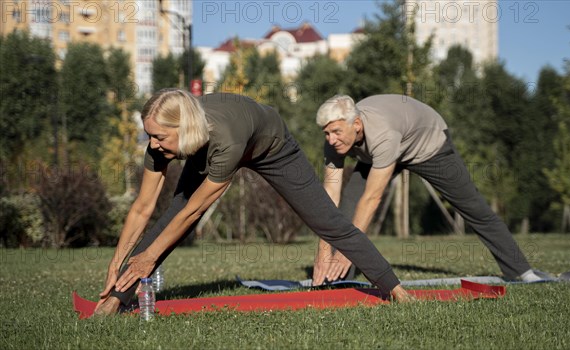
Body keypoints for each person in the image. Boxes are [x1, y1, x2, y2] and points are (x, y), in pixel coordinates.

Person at [94, 89, 411, 315]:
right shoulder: (163, 143)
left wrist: (148, 257)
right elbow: (142, 207)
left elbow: (195, 211)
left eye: (160, 137)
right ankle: (115, 301)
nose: (152, 144)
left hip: (272, 147)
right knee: (168, 216)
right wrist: (116, 262)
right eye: (149, 135)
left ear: (184, 128)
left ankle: (395, 288)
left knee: (327, 220)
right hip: (215, 141)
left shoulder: (226, 139)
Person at [311, 94, 543, 286]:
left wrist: (345, 251)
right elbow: (329, 197)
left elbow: (372, 198)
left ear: (357, 125)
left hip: (429, 144)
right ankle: (338, 280)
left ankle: (521, 271)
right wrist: (323, 251)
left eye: (337, 132)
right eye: (327, 133)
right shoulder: (333, 140)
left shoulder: (383, 133)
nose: (331, 139)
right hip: (381, 152)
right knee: (349, 206)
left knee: (473, 206)